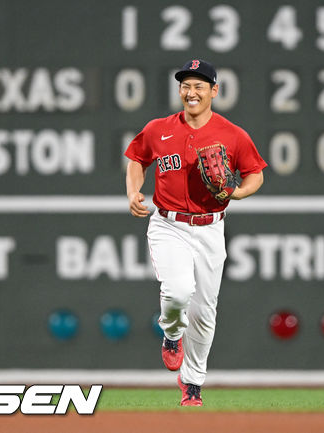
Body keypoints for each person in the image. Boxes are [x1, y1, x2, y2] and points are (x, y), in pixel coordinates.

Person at [124, 59, 266, 406]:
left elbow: (255, 174)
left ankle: (192, 384)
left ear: (214, 91)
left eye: (199, 86)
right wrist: (132, 191)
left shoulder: (233, 135)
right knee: (178, 290)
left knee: (204, 313)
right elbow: (137, 159)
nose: (191, 92)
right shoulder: (158, 129)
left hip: (210, 228)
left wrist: (235, 192)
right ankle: (172, 335)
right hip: (168, 224)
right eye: (186, 86)